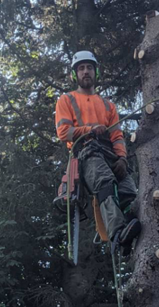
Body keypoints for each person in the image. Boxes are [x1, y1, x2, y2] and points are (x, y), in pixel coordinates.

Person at [55, 51, 141, 253]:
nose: (86, 72)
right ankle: (117, 232)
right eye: (81, 68)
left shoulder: (108, 105)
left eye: (90, 68)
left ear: (96, 73)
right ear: (75, 75)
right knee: (104, 181)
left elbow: (117, 135)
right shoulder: (67, 100)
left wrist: (122, 158)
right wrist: (89, 129)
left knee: (129, 189)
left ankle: (132, 223)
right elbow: (64, 132)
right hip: (86, 150)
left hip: (109, 150)